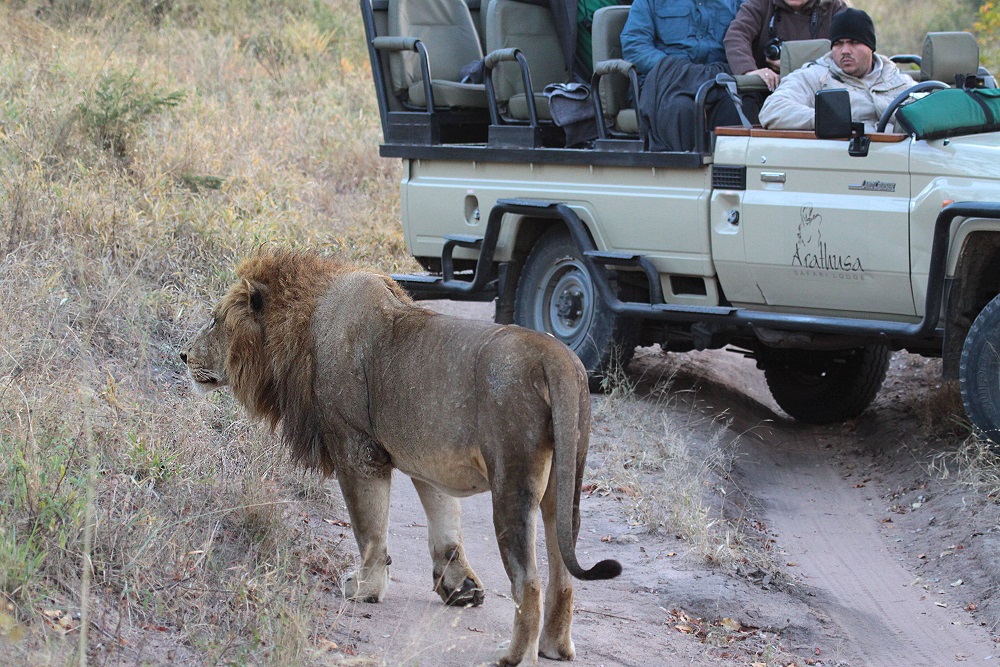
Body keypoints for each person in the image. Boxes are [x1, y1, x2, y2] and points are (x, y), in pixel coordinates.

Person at [758, 8, 916, 132]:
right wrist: (827, 119)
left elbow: (930, 111)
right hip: (845, 158)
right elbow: (773, 110)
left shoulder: (895, 78)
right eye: (838, 43)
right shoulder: (815, 76)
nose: (845, 50)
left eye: (854, 42)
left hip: (898, 158)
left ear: (870, 47)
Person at [620, 0, 744, 151]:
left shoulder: (737, 2)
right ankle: (681, 172)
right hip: (667, 81)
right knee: (680, 108)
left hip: (717, 81)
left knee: (740, 105)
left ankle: (728, 170)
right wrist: (682, 71)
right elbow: (635, 47)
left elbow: (747, 39)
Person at [723, 0, 847, 122]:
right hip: (765, 94)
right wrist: (749, 71)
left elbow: (850, 50)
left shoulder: (835, 8)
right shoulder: (761, 4)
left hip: (818, 93)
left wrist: (791, 65)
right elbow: (736, 36)